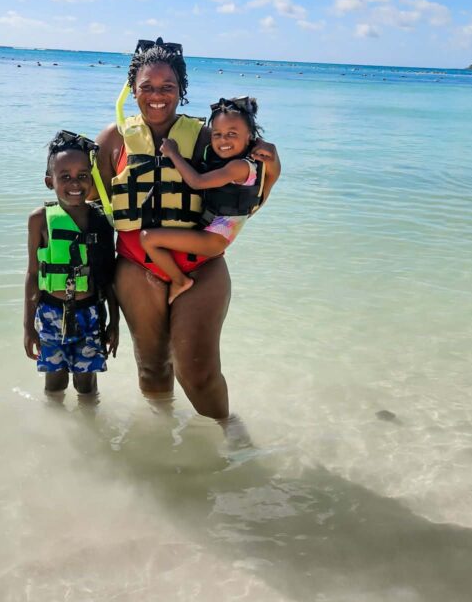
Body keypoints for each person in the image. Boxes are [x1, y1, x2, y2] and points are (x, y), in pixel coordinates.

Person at [94, 38, 281, 420]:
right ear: (133, 89)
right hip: (135, 267)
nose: (157, 96)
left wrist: (273, 171)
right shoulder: (112, 140)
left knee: (196, 372)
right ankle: (166, 448)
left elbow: (244, 204)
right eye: (147, 86)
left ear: (182, 90)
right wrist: (101, 302)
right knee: (152, 369)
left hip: (201, 266)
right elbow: (95, 220)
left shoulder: (206, 138)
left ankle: (233, 442)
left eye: (168, 87)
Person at [141, 96, 274, 304]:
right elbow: (268, 183)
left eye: (232, 134)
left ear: (250, 136)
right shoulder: (242, 161)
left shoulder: (238, 167)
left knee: (148, 238)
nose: (223, 141)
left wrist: (172, 152)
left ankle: (180, 281)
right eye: (217, 134)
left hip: (214, 240)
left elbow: (196, 182)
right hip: (217, 233)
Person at [25, 131, 119, 395]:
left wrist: (114, 322)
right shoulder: (39, 219)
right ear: (49, 181)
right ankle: (56, 432)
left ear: (92, 179)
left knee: (86, 385)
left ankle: (91, 429)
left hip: (90, 313)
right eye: (64, 177)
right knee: (54, 384)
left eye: (82, 175)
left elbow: (107, 275)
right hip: (49, 313)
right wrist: (28, 327)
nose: (74, 183)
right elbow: (32, 274)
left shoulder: (101, 220)